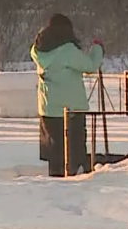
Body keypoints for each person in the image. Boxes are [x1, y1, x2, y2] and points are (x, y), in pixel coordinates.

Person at [30, 14, 104, 177]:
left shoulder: (38, 51)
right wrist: (97, 48)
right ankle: (71, 185)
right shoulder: (67, 51)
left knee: (54, 153)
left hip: (48, 109)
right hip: (71, 110)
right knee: (73, 153)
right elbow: (90, 65)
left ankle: (55, 181)